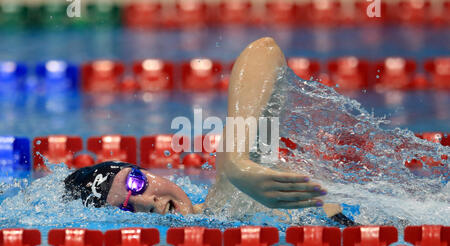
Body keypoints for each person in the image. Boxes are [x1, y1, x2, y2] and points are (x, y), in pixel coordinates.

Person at [64, 37, 354, 225]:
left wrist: (237, 163)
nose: (145, 201)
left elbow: (264, 52)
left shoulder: (233, 190)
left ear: (149, 171)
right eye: (126, 209)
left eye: (136, 183)